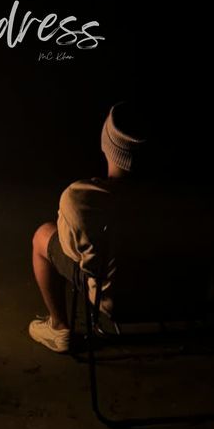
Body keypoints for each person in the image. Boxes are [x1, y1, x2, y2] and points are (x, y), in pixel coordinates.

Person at [29, 101, 149, 352]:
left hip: (116, 299)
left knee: (43, 236)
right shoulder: (188, 198)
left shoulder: (84, 199)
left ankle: (59, 327)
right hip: (180, 296)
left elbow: (81, 257)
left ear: (107, 146)